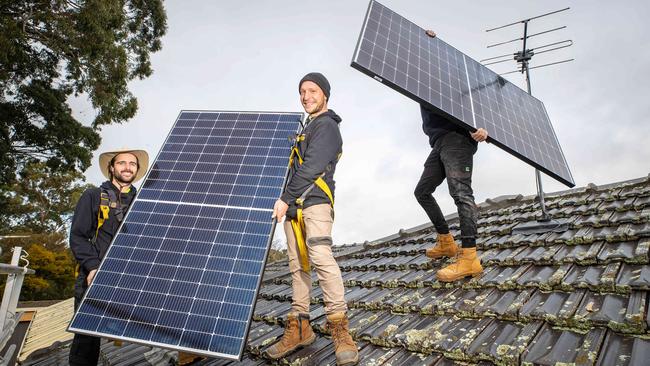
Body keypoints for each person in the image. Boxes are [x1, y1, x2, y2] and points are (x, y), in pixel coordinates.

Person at [266, 73, 358, 366]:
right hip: (293, 210)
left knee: (321, 258)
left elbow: (313, 167)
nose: (306, 96)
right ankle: (300, 326)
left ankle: (340, 328)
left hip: (315, 204)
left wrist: (284, 198)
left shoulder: (327, 126)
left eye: (312, 91)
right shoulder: (304, 129)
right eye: (302, 92)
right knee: (297, 267)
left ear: (325, 95)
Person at [414, 30, 488, 283]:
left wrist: (483, 127)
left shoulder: (452, 78)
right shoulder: (423, 81)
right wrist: (424, 40)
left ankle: (469, 257)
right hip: (439, 141)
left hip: (457, 139)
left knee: (461, 193)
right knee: (422, 191)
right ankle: (446, 241)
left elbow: (477, 101)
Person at [69, 148, 148, 366]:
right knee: (86, 338)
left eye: (132, 164)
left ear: (137, 169)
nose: (127, 167)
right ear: (112, 168)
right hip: (96, 275)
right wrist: (93, 266)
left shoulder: (145, 200)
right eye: (121, 163)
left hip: (132, 277)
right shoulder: (93, 196)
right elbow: (78, 236)